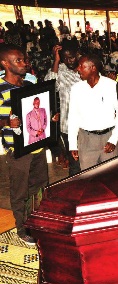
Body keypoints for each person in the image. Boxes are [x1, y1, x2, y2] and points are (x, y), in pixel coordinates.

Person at [0, 44, 48, 245]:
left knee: (40, 186)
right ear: (5, 64)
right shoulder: (1, 89)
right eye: (17, 61)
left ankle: (38, 220)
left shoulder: (29, 84)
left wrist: (50, 118)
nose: (23, 63)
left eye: (23, 59)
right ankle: (22, 228)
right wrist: (6, 123)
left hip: (37, 145)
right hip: (18, 150)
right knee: (19, 191)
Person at [68, 54, 118, 170]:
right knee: (89, 178)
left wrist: (114, 139)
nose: (78, 69)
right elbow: (73, 117)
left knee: (111, 177)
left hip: (109, 138)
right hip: (86, 140)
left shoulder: (112, 86)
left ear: (93, 68)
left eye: (81, 66)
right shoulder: (76, 89)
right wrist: (72, 144)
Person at [44, 43, 82, 175]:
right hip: (68, 125)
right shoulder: (60, 70)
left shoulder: (87, 67)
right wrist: (56, 61)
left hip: (87, 124)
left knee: (88, 161)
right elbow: (49, 84)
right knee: (75, 163)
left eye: (71, 57)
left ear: (78, 54)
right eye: (64, 58)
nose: (68, 61)